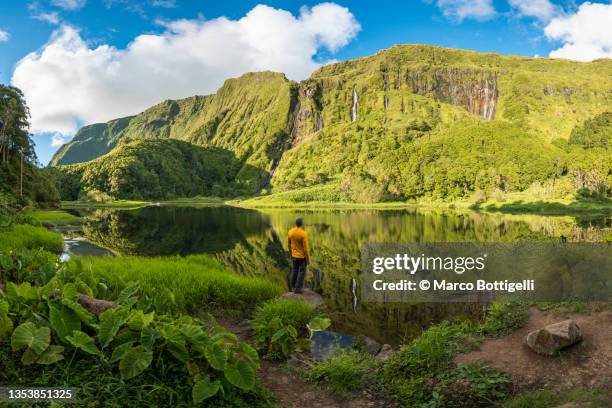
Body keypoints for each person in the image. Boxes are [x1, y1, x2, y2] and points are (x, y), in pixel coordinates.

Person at [287, 217, 309, 293]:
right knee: (302, 272)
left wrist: (291, 254)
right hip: (302, 257)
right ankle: (298, 289)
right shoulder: (303, 234)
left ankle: (292, 287)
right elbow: (305, 248)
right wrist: (308, 259)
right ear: (302, 224)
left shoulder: (290, 232)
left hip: (294, 255)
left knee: (295, 270)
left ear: (296, 223)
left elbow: (289, 245)